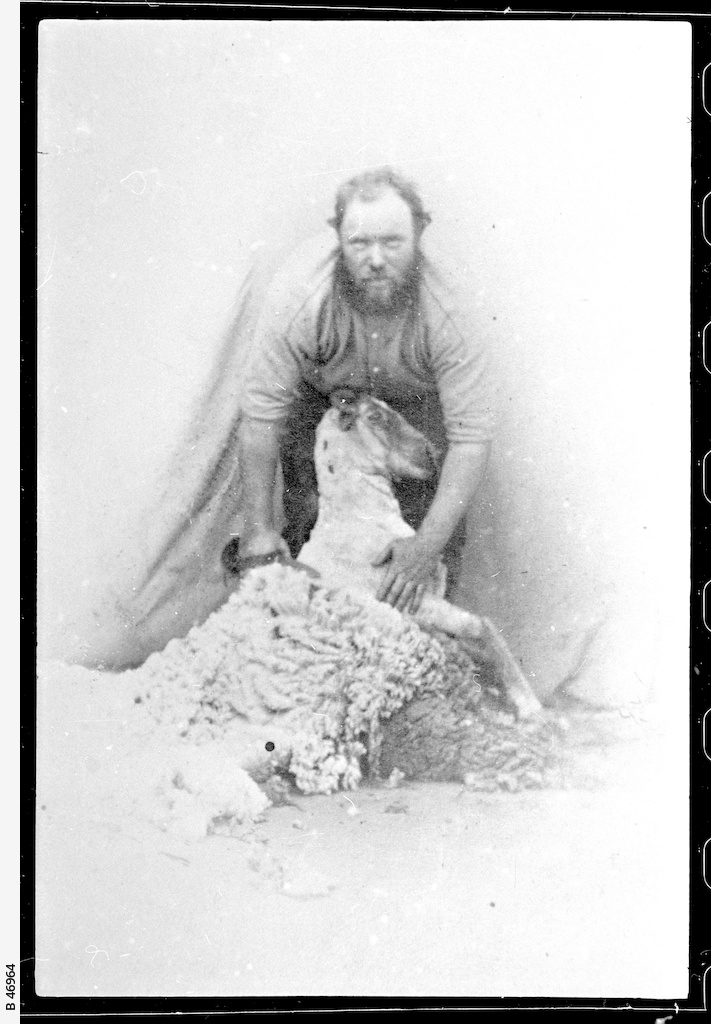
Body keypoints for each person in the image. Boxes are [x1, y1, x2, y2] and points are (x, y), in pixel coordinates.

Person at [237, 166, 495, 614]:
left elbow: (471, 439)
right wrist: (258, 528)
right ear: (338, 237)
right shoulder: (301, 293)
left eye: (392, 243)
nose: (375, 259)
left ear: (419, 233)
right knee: (312, 543)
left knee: (416, 569)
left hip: (416, 412)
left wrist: (426, 546)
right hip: (326, 407)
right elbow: (261, 418)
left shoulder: (451, 307)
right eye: (359, 243)